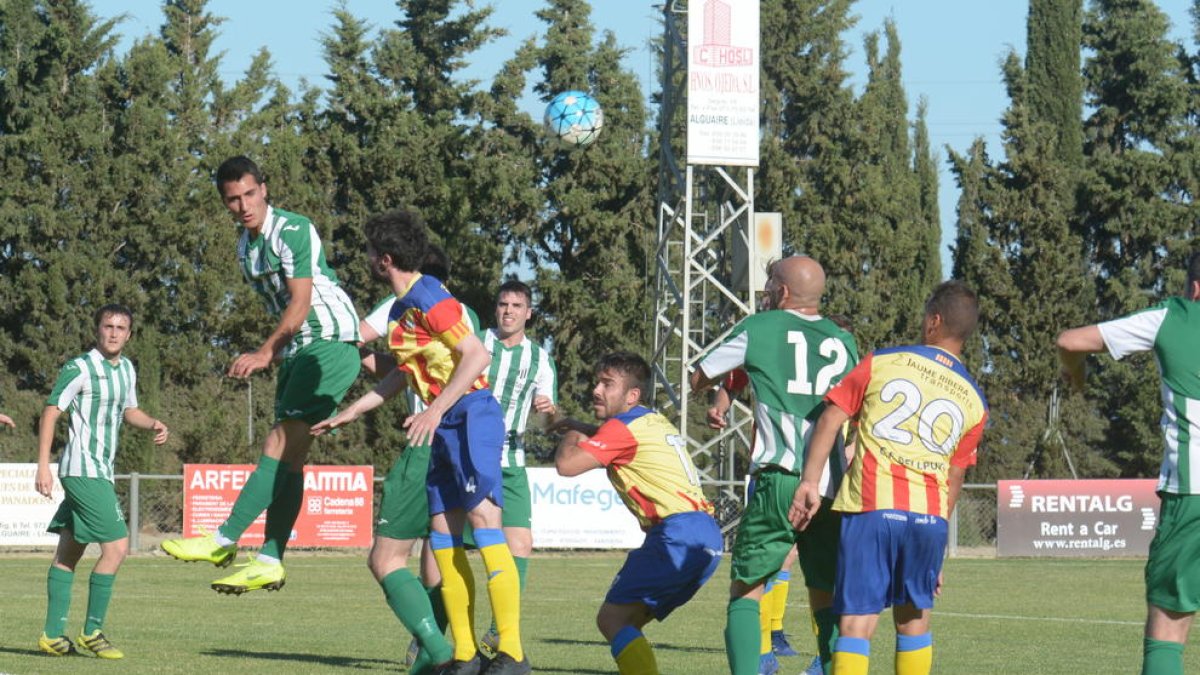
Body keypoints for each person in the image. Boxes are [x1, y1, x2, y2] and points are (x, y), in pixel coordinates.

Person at [312, 209, 528, 675]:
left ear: (384, 259)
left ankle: (512, 651)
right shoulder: (397, 311)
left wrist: (434, 409)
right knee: (445, 539)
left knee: (485, 522)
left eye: (371, 252)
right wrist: (352, 410)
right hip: (441, 425)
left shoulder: (431, 293)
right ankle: (466, 655)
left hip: (470, 413)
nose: (368, 258)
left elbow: (477, 354)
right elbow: (402, 376)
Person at [161, 156, 361, 594]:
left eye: (250, 194)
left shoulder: (292, 229)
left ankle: (223, 539)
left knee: (278, 442)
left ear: (264, 189)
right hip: (301, 352)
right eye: (233, 200)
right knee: (290, 456)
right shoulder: (244, 249)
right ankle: (270, 559)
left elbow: (301, 303)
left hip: (324, 342)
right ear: (225, 203)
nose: (243, 205)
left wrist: (265, 351)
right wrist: (278, 352)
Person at [791, 280, 988, 675]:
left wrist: (810, 482)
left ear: (934, 321)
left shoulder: (884, 361)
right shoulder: (974, 399)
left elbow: (831, 418)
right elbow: (955, 476)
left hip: (873, 506)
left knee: (856, 625)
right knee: (914, 622)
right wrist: (939, 545)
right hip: (930, 519)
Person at [692, 255, 858, 675]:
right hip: (831, 484)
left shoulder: (759, 326)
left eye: (769, 284)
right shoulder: (844, 341)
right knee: (826, 594)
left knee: (746, 591)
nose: (765, 291)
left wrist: (722, 388)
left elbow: (700, 374)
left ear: (782, 292)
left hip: (780, 478)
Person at [1056, 252, 1200, 675]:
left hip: (1192, 493)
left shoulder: (1174, 316)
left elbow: (1070, 341)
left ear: (1193, 288)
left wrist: (1076, 374)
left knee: (1168, 627)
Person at [553, 351, 722, 675]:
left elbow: (567, 466)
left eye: (608, 384)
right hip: (705, 536)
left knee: (611, 619)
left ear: (632, 395)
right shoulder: (651, 420)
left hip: (677, 533)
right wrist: (581, 426)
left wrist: (572, 434)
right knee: (626, 622)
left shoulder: (622, 428)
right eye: (597, 382)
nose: (597, 391)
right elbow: (613, 439)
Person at [357, 245, 479, 673]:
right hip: (471, 439)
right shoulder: (466, 315)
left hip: (430, 437)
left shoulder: (410, 304)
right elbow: (412, 368)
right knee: (441, 560)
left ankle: (439, 651)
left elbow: (361, 338)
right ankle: (448, 654)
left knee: (387, 558)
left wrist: (343, 351)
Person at [36, 304, 170, 659]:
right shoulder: (80, 367)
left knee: (70, 552)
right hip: (83, 470)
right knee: (117, 548)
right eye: (108, 326)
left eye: (121, 327)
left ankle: (52, 636)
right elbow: (51, 411)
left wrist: (153, 423)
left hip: (100, 469)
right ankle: (92, 632)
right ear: (97, 330)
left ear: (129, 334)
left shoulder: (126, 369)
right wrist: (43, 466)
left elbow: (130, 412)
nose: (113, 332)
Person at [471, 279, 558, 656]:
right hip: (468, 458)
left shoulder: (540, 359)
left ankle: (497, 630)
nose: (509, 311)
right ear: (496, 309)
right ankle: (431, 632)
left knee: (520, 544)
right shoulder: (475, 343)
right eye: (503, 304)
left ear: (528, 313)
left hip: (512, 461)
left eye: (516, 306)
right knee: (443, 550)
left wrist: (548, 412)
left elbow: (547, 417)